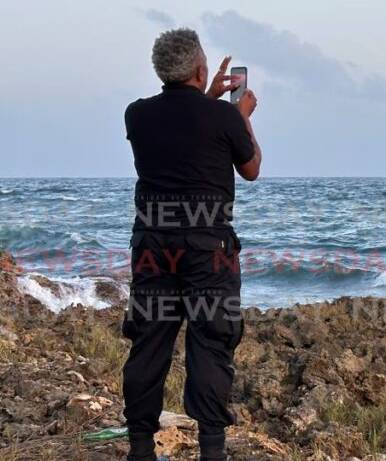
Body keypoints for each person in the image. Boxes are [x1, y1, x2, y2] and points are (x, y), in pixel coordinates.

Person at [122, 28, 261, 461]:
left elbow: (184, 128)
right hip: (208, 249)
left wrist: (212, 101)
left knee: (150, 340)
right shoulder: (223, 118)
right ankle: (212, 451)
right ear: (202, 69)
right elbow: (251, 167)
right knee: (211, 340)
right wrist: (241, 115)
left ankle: (141, 449)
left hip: (152, 245)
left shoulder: (137, 114)